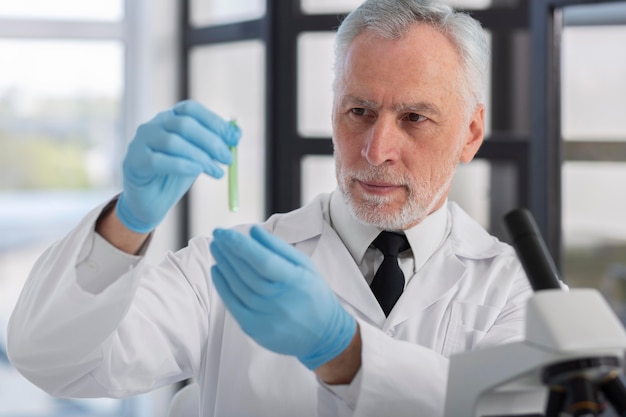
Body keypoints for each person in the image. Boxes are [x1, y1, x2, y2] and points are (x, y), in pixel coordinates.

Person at [7, 0, 533, 416]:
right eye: (359, 111)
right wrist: (127, 221)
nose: (376, 150)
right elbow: (54, 361)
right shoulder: (225, 266)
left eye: (415, 117)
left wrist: (341, 350)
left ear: (470, 133)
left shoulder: (512, 291)